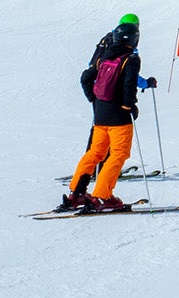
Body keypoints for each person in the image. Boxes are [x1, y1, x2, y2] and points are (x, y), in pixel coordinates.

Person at [61, 14, 156, 212]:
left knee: (95, 153)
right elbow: (129, 83)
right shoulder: (131, 57)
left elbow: (86, 77)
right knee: (119, 154)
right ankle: (102, 197)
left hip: (101, 113)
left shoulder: (104, 53)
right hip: (118, 116)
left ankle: (76, 194)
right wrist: (128, 106)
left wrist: (94, 100)